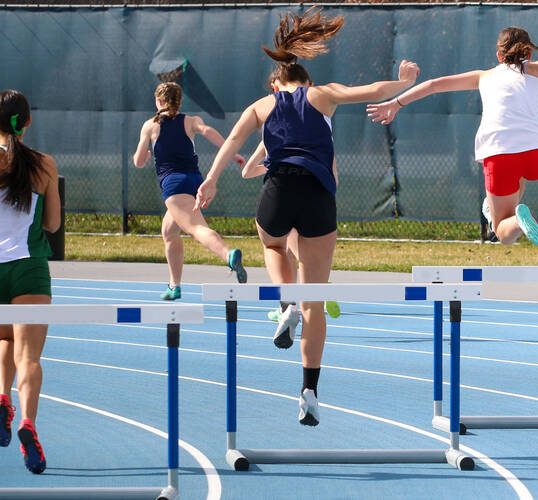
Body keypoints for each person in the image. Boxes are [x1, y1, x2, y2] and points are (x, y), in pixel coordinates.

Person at [195, 7, 419, 426]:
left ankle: (286, 304)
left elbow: (232, 143)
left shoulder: (260, 106)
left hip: (279, 189)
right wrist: (404, 83)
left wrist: (210, 181)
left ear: (276, 84)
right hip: (319, 196)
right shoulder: (324, 95)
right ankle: (309, 392)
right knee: (315, 299)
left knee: (272, 242)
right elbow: (370, 90)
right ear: (308, 82)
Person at [367, 18, 538, 247]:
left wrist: (395, 103)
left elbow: (433, 85)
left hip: (500, 154)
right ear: (529, 53)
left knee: (502, 232)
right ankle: (514, 211)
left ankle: (517, 221)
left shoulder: (483, 76)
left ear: (498, 56)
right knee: (519, 179)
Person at [133, 82, 249, 300]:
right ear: (179, 101)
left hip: (174, 184)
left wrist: (146, 155)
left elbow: (138, 161)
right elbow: (208, 131)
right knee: (169, 232)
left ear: (158, 101)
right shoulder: (191, 120)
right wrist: (232, 153)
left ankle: (228, 254)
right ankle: (174, 286)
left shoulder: (150, 126)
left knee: (196, 228)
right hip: (194, 181)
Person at [0, 89, 60, 474]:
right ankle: (27, 422)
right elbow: (52, 224)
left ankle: (2, 398)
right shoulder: (44, 165)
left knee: (4, 338)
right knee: (30, 357)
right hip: (29, 269)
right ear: (28, 122)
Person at [241, 142, 341, 321]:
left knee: (277, 249)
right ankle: (320, 283)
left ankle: (287, 305)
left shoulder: (273, 135)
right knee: (300, 255)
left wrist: (271, 165)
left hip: (281, 191)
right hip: (316, 194)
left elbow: (246, 172)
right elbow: (334, 177)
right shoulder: (321, 134)